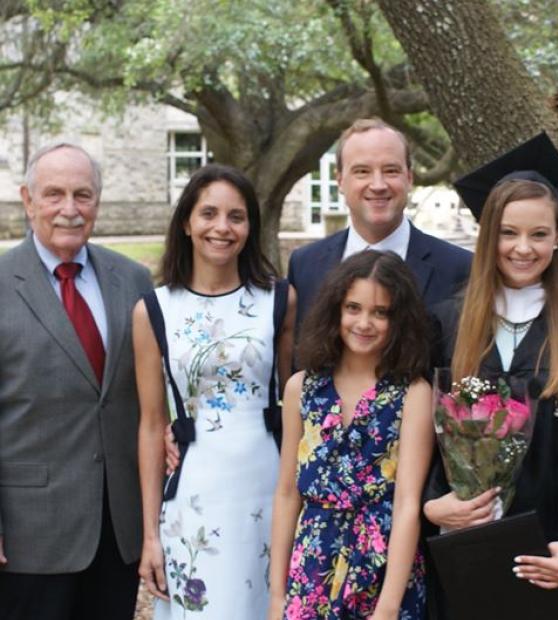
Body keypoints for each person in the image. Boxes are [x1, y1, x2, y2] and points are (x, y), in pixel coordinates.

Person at [424, 133, 558, 618]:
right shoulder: (446, 321)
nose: (523, 248)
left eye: (539, 234)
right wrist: (434, 504)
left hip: (550, 542)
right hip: (463, 540)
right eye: (509, 232)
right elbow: (421, 435)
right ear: (488, 235)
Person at [135, 164, 295, 619]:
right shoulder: (154, 311)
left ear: (250, 227)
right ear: (186, 222)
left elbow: (296, 405)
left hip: (267, 492)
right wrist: (150, 535)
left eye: (236, 216)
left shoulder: (280, 301)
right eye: (209, 213)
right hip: (193, 498)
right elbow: (150, 426)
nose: (222, 227)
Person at [0, 143, 153, 620]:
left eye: (82, 195)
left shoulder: (134, 281)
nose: (70, 209)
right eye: (54, 195)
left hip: (118, 526)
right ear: (27, 200)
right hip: (30, 533)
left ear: (97, 202)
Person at [268, 250, 434, 619]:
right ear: (335, 310)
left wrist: (389, 607)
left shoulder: (412, 393)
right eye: (353, 307)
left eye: (381, 312)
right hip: (312, 564)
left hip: (381, 567)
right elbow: (286, 492)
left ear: (399, 320)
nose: (364, 322)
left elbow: (407, 504)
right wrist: (277, 593)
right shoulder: (301, 388)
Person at [287, 117, 472, 332]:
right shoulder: (305, 266)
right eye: (362, 171)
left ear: (409, 178)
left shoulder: (459, 269)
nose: (378, 185)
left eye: (391, 170)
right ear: (340, 181)